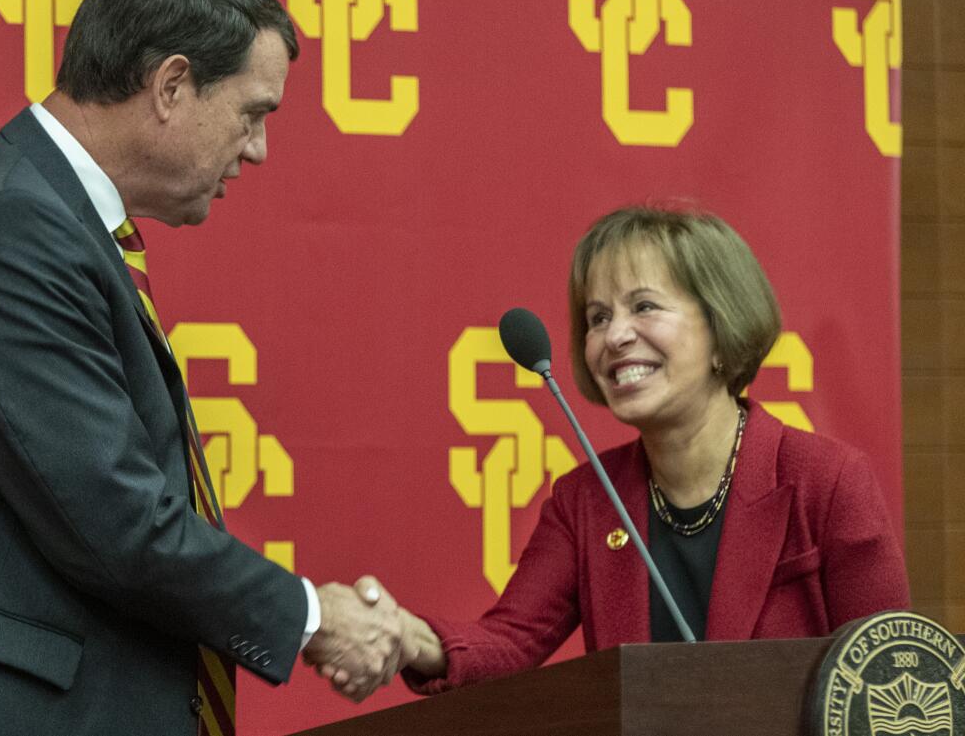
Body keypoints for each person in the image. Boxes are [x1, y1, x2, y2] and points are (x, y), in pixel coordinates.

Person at [0, 0, 400, 736]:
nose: (257, 149)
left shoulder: (56, 222)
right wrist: (312, 618)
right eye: (252, 114)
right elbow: (113, 518)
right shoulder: (12, 225)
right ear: (172, 85)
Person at [322, 205, 910, 698]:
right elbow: (510, 643)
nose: (614, 336)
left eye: (644, 307)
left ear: (721, 327)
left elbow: (893, 679)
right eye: (597, 317)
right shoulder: (585, 500)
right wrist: (406, 636)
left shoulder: (826, 482)